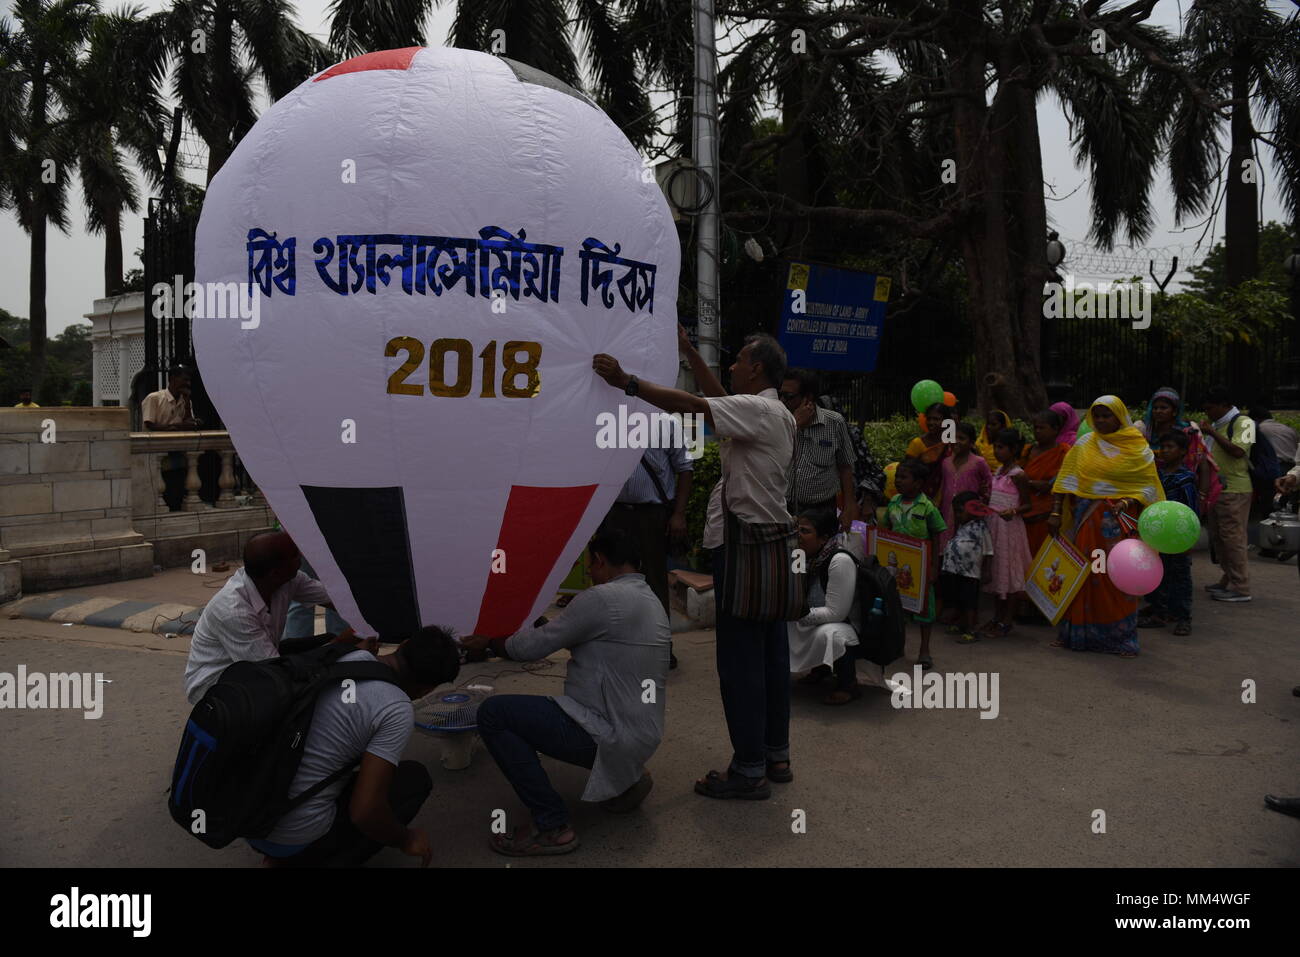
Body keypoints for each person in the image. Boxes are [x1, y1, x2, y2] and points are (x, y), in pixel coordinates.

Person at [594, 324, 794, 801]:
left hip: (743, 549)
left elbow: (699, 405)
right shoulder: (772, 410)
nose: (732, 365)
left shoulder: (759, 409)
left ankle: (748, 771)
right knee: (770, 655)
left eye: (739, 359)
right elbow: (718, 396)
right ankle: (774, 753)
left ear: (758, 367)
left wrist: (629, 382)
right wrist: (688, 351)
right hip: (769, 548)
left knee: (740, 663)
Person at [460, 526, 669, 855]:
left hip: (609, 733)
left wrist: (489, 643)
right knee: (572, 710)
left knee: (494, 714)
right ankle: (628, 779)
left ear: (600, 560)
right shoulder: (651, 599)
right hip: (643, 734)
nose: (589, 573)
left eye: (590, 565)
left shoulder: (602, 598)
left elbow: (532, 647)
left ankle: (552, 826)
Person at [250, 626, 461, 867]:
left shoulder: (349, 656)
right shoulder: (396, 708)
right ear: (427, 690)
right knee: (413, 780)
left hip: (250, 817)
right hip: (292, 838)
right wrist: (406, 838)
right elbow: (365, 812)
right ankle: (296, 861)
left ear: (402, 645)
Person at [1049, 396, 1165, 657]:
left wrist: (1125, 501)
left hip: (1119, 526)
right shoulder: (1084, 444)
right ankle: (1074, 635)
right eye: (1097, 415)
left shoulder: (1137, 447)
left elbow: (1147, 486)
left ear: (1119, 416)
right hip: (1085, 522)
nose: (1101, 421)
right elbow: (1065, 479)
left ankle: (1120, 639)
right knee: (1083, 576)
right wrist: (1056, 512)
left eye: (1107, 415)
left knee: (1115, 579)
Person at [184, 531, 356, 704]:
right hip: (217, 687)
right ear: (275, 573)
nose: (301, 557)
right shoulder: (234, 611)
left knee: (327, 644)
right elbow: (273, 671)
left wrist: (367, 623)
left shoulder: (287, 580)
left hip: (258, 663)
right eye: (295, 555)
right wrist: (339, 645)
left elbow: (335, 599)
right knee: (311, 679)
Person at [603, 442, 693, 670]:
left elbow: (685, 468)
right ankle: (620, 647)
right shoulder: (608, 420)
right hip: (615, 513)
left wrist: (679, 514)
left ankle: (661, 648)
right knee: (613, 583)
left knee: (653, 582)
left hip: (652, 515)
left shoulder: (666, 423)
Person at [789, 508, 862, 705]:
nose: (798, 536)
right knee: (779, 621)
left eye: (805, 531)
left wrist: (797, 613)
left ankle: (848, 684)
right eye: (797, 530)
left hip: (846, 624)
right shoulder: (800, 555)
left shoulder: (840, 560)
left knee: (832, 634)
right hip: (812, 614)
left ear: (823, 538)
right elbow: (793, 590)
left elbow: (836, 613)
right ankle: (819, 669)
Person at [883, 459, 946, 670]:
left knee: (924, 610)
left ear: (918, 483)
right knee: (898, 607)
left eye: (903, 477)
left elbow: (937, 536)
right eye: (897, 476)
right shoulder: (893, 503)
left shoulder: (928, 507)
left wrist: (935, 567)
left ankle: (924, 650)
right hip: (897, 565)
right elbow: (886, 532)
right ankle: (898, 646)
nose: (898, 481)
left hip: (921, 567)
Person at [780, 368, 858, 531]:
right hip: (783, 507)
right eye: (780, 395)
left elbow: (845, 467)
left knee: (817, 555)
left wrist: (849, 506)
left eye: (789, 397)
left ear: (808, 399)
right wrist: (795, 425)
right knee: (790, 555)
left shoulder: (834, 423)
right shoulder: (779, 421)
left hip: (820, 511)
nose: (782, 401)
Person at [1138, 431, 1198, 636]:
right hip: (1157, 532)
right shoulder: (1157, 473)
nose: (1164, 451)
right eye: (1162, 447)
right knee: (1157, 572)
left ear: (1182, 451)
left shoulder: (1185, 478)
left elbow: (1191, 509)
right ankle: (1158, 612)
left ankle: (1183, 618)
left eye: (1170, 447)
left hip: (1178, 534)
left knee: (1180, 576)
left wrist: (1189, 538)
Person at [1199, 387, 1254, 603]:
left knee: (1233, 539)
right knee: (1220, 539)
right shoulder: (1217, 424)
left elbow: (1239, 451)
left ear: (1224, 405)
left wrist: (1211, 433)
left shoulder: (1245, 423)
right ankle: (1229, 578)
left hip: (1236, 489)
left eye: (1210, 408)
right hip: (1218, 490)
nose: (1208, 414)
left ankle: (1241, 587)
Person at [981, 428, 1033, 636]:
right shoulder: (998, 472)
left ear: (1013, 450)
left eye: (1001, 447)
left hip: (1010, 529)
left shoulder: (1019, 475)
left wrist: (1014, 510)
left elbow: (1028, 505)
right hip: (994, 526)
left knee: (1010, 573)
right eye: (995, 447)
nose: (996, 451)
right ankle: (996, 616)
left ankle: (1007, 620)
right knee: (996, 571)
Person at [1136, 387, 1216, 507]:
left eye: (1163, 408)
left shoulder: (1189, 432)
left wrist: (1202, 496)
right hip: (1150, 493)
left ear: (1174, 411)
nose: (1158, 411)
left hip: (1182, 491)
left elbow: (1202, 463)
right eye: (1155, 408)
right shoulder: (1143, 432)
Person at [939, 491, 993, 644]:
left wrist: (987, 570)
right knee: (958, 598)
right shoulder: (962, 525)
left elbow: (989, 551)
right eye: (955, 511)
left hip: (971, 573)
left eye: (960, 511)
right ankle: (960, 623)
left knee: (969, 602)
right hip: (955, 570)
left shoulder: (981, 528)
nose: (957, 515)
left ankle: (971, 629)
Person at [1022, 409, 1070, 557]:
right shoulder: (1027, 451)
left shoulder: (1064, 452)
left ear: (1056, 429)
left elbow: (1065, 480)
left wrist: (1048, 486)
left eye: (1042, 428)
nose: (1037, 431)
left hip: (1048, 516)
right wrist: (1029, 483)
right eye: (1035, 427)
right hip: (1024, 514)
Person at [938, 422, 991, 552]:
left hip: (970, 515)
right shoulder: (946, 463)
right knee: (947, 548)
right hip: (948, 512)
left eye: (961, 438)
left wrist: (983, 497)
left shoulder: (979, 462)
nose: (956, 441)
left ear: (972, 442)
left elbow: (989, 484)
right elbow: (943, 486)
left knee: (967, 550)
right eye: (954, 437)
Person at [904, 402, 950, 502]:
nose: (931, 422)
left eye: (936, 419)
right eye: (929, 418)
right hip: (923, 498)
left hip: (948, 496)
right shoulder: (917, 444)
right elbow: (907, 472)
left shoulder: (951, 443)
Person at [1251, 405, 1298, 473]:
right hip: (1294, 469)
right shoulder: (1289, 429)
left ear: (1255, 419)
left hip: (1275, 468)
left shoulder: (1259, 429)